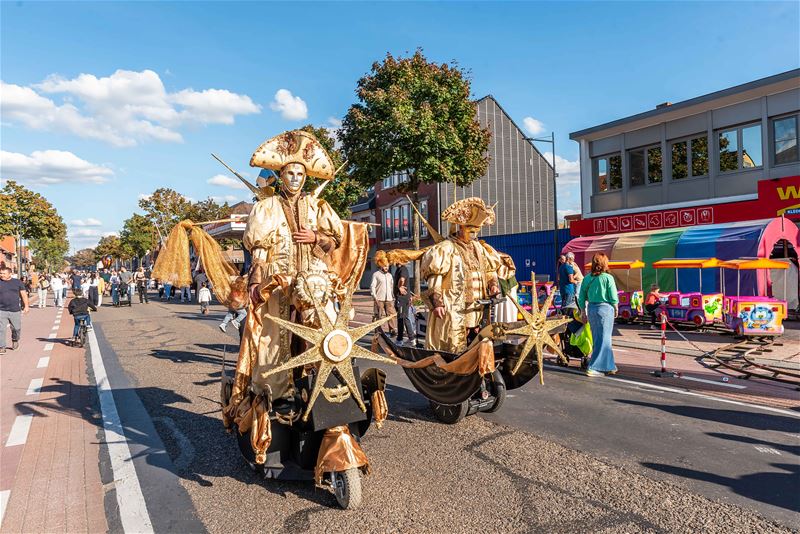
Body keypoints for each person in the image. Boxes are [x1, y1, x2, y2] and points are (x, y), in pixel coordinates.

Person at [232, 129, 344, 407]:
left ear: (306, 177)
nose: (295, 179)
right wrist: (256, 283)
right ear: (281, 176)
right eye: (290, 174)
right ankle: (278, 392)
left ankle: (327, 385)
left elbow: (334, 242)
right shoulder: (266, 207)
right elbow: (258, 251)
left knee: (324, 330)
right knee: (275, 338)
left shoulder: (318, 206)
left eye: (301, 175)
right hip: (278, 283)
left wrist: (316, 237)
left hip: (314, 283)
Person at [421, 197, 502, 352]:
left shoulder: (480, 248)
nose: (473, 235)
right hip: (453, 304)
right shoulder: (446, 248)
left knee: (477, 334)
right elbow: (434, 278)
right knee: (455, 339)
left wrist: (493, 286)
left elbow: (490, 270)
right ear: (460, 228)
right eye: (470, 231)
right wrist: (437, 303)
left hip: (478, 305)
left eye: (476, 231)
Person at [577, 252, 619, 377]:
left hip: (591, 309)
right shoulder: (607, 278)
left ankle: (609, 366)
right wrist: (616, 307)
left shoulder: (587, 278)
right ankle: (594, 367)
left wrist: (583, 311)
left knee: (598, 338)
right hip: (605, 309)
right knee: (605, 339)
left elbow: (581, 297)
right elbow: (613, 295)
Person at [0, 266, 29, 354]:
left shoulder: (17, 282)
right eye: (0, 273)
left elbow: (23, 295)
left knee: (16, 328)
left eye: (3, 273)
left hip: (15, 310)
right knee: (1, 329)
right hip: (1, 310)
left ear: (10, 274)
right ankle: (2, 347)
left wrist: (26, 306)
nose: (1, 275)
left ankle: (15, 340)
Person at [391, 254, 416, 346]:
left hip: (402, 299)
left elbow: (402, 279)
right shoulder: (400, 269)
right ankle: (410, 339)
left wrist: (399, 286)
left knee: (402, 318)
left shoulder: (403, 269)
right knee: (403, 318)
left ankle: (401, 339)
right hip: (402, 298)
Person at [370, 250, 396, 335]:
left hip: (389, 298)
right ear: (381, 265)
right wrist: (375, 297)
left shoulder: (390, 275)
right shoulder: (376, 274)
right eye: (385, 266)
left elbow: (392, 286)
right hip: (379, 299)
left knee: (391, 315)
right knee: (379, 316)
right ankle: (378, 330)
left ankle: (392, 330)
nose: (386, 268)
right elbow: (372, 286)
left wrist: (393, 296)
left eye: (387, 266)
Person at [494, 252, 519, 323]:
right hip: (508, 299)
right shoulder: (512, 277)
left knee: (503, 310)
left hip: (505, 298)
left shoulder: (499, 277)